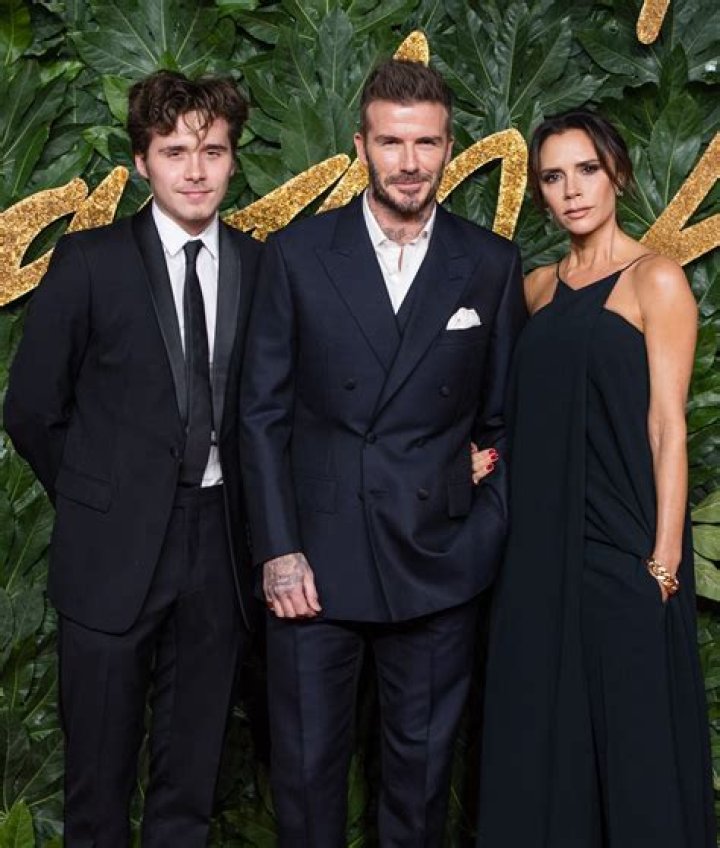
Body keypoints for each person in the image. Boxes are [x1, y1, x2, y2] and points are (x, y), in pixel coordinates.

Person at [239, 58, 525, 847]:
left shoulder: (489, 264)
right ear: (361, 145)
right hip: (314, 567)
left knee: (420, 788)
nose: (409, 161)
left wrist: (479, 535)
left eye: (426, 142)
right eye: (392, 142)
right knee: (306, 784)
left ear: (449, 148)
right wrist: (279, 551)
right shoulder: (298, 253)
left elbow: (503, 421)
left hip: (438, 562)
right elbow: (261, 415)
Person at [3, 70, 262, 847]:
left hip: (218, 545)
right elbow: (31, 409)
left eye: (213, 152)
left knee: (190, 785)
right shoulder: (89, 261)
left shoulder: (259, 266)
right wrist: (99, 498)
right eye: (175, 151)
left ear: (232, 159)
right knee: (97, 789)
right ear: (142, 161)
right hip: (109, 550)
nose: (196, 171)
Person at [477, 109, 715, 846]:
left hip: (624, 548)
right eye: (553, 177)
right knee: (541, 742)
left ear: (616, 172)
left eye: (586, 170)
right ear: (540, 192)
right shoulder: (535, 288)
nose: (571, 190)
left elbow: (667, 426)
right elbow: (510, 411)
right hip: (536, 552)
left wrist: (664, 560)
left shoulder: (656, 280)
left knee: (636, 749)